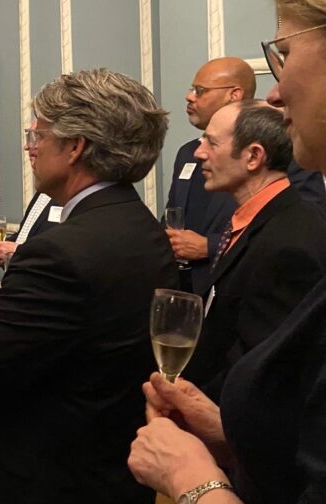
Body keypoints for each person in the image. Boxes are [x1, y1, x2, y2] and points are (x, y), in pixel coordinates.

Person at [0, 68, 178, 503]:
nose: (30, 147)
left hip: (41, 476)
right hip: (111, 470)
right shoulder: (145, 228)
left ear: (75, 147)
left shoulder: (59, 254)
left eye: (38, 135)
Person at [128, 2, 326, 502]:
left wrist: (193, 480)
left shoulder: (291, 239)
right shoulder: (253, 220)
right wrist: (223, 429)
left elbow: (281, 396)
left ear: (254, 157)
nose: (274, 94)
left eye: (284, 55)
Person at [180, 100, 326, 400]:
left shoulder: (289, 245)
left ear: (253, 156)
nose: (199, 152)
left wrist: (192, 406)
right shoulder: (255, 219)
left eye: (211, 142)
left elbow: (266, 367)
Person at [164, 57, 254, 296]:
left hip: (235, 290)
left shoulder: (272, 150)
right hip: (183, 290)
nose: (189, 96)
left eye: (200, 90)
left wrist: (210, 246)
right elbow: (172, 214)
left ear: (234, 95)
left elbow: (298, 225)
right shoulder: (187, 152)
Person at [0, 192, 59, 268]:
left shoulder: (65, 198)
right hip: (20, 270)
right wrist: (4, 246)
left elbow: (58, 248)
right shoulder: (40, 194)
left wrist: (18, 250)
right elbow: (24, 233)